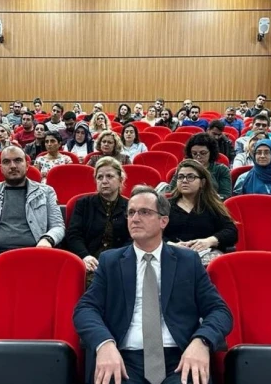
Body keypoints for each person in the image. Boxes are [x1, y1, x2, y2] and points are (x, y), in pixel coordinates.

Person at [73, 185, 233, 384]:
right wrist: (104, 344)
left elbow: (219, 311)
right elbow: (86, 309)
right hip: (123, 358)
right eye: (131, 212)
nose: (135, 218)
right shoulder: (110, 261)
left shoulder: (188, 261)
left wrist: (201, 341)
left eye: (144, 212)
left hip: (181, 357)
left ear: (163, 221)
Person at [0, 146, 64, 312]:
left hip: (33, 254)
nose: (12, 166)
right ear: (1, 167)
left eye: (17, 160)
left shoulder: (46, 192)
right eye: (6, 162)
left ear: (27, 165)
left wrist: (47, 240)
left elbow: (58, 226)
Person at [165, 159, 238, 265]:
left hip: (205, 257)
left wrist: (208, 241)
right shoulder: (165, 205)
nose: (184, 180)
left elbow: (231, 232)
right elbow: (152, 233)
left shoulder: (212, 205)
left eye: (190, 177)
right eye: (180, 177)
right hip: (171, 254)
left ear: (202, 183)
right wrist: (171, 244)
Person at [65, 157, 130, 272]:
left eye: (109, 176)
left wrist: (119, 258)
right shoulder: (83, 204)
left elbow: (134, 238)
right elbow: (73, 235)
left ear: (120, 180)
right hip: (88, 262)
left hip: (121, 262)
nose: (104, 181)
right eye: (100, 177)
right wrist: (85, 256)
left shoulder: (130, 206)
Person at [169, 134, 232, 199]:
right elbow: (170, 191)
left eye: (203, 153)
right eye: (194, 153)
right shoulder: (184, 168)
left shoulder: (221, 169)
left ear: (211, 152)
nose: (198, 157)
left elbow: (226, 195)